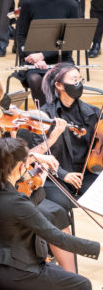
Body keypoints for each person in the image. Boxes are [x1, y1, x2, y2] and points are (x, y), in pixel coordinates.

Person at [0, 72, 75, 267]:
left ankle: (69, 277)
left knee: (57, 211)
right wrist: (38, 156)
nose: (5, 97)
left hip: (9, 190)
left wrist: (51, 138)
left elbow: (20, 162)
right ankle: (38, 268)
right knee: (47, 213)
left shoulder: (1, 120)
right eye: (0, 93)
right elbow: (0, 157)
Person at [0, 136, 99, 289]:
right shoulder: (16, 203)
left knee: (63, 274)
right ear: (19, 167)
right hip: (18, 272)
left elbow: (18, 212)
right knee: (82, 284)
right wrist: (98, 247)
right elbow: (58, 238)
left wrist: (39, 185)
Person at [15, 0, 81, 107]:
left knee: (72, 79)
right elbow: (21, 36)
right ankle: (46, 116)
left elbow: (69, 42)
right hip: (33, 60)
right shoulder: (29, 3)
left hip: (61, 59)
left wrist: (43, 55)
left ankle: (65, 115)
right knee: (34, 79)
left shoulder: (71, 5)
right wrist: (34, 57)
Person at [41, 63, 101, 202]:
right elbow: (40, 154)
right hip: (58, 175)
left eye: (80, 79)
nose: (79, 84)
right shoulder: (45, 115)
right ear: (59, 85)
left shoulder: (93, 112)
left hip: (87, 173)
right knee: (63, 203)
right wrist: (63, 174)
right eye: (74, 80)